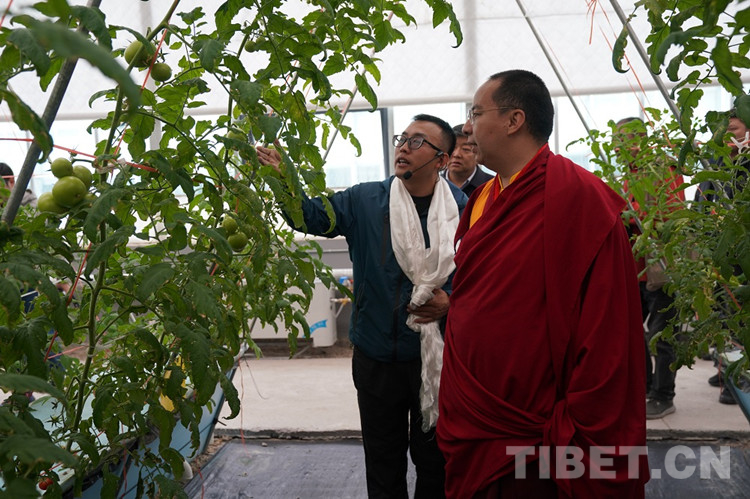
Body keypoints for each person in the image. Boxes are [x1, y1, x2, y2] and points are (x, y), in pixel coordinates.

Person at [436, 70, 648, 498]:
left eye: (476, 113)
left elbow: (607, 326)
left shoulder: (579, 199)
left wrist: (578, 418)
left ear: (514, 120)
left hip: (537, 419)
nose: (467, 128)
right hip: (476, 407)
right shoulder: (482, 198)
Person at [257, 114, 468, 498]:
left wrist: (452, 301)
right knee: (383, 462)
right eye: (402, 138)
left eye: (417, 142)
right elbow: (311, 216)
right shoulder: (365, 200)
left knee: (435, 464)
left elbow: (482, 276)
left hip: (437, 360)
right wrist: (283, 179)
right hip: (376, 356)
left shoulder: (463, 209)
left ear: (441, 160)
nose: (403, 147)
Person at [616, 117, 685, 419]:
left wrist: (629, 215)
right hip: (637, 268)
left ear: (641, 140)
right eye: (616, 141)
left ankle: (663, 395)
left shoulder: (662, 169)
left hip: (660, 266)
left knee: (663, 332)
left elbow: (671, 213)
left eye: (623, 140)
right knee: (631, 329)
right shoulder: (629, 175)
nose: (617, 148)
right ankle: (644, 385)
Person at [694, 108, 749, 404]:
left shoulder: (745, 164)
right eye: (722, 131)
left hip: (741, 255)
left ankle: (737, 380)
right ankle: (727, 370)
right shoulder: (716, 160)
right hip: (717, 251)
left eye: (733, 131)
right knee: (723, 315)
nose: (726, 137)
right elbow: (702, 196)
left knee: (738, 316)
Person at [441, 124, 494, 197]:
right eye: (452, 148)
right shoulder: (433, 185)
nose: (456, 154)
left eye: (466, 149)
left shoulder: (492, 186)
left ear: (479, 153)